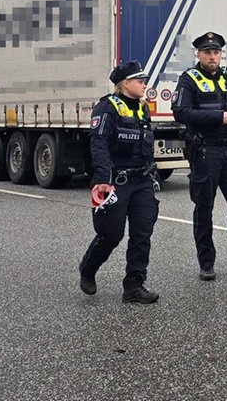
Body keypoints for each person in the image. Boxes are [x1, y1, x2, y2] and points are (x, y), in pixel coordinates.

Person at [172, 31, 227, 281]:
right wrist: (219, 116)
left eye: (216, 52)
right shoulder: (188, 80)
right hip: (206, 151)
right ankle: (206, 263)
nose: (212, 56)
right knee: (204, 208)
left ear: (221, 55)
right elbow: (181, 112)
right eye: (207, 52)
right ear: (198, 55)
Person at [79, 61, 161, 304]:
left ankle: (134, 285)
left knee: (142, 232)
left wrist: (153, 174)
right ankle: (88, 268)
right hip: (116, 181)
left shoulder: (143, 108)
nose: (144, 84)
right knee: (111, 234)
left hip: (142, 179)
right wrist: (103, 178)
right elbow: (99, 143)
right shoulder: (107, 108)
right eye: (140, 80)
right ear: (125, 84)